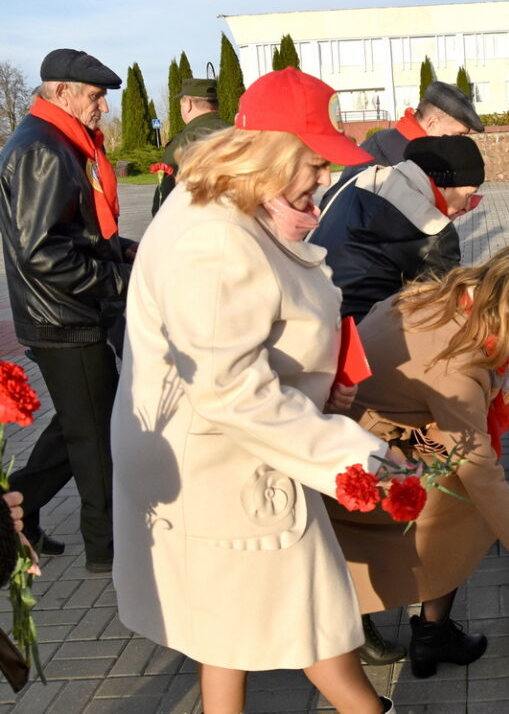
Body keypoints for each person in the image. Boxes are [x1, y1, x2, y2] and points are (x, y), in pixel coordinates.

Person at [111, 67, 395, 713]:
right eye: (315, 161)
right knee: (311, 617)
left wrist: (314, 386)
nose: (324, 177)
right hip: (228, 469)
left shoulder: (216, 208)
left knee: (231, 629)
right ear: (270, 154)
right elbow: (230, 387)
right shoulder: (216, 241)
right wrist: (356, 458)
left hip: (224, 461)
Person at [327, 244, 509, 679]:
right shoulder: (458, 367)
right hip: (367, 460)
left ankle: (392, 622)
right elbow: (480, 472)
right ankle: (431, 633)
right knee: (466, 502)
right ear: (508, 304)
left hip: (360, 434)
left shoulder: (435, 297)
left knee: (464, 482)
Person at [0, 48, 135, 572]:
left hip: (70, 312)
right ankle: (108, 553)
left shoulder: (59, 140)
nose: (102, 106)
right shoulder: (42, 147)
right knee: (95, 437)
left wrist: (123, 249)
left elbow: (76, 229)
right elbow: (44, 253)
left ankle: (19, 512)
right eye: (96, 96)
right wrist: (124, 280)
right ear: (61, 92)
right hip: (64, 318)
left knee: (78, 423)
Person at [310, 134, 485, 323]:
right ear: (445, 186)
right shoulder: (435, 231)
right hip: (356, 334)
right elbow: (449, 303)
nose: (468, 207)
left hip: (309, 305)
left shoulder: (358, 178)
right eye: (469, 195)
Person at [325, 81, 484, 200]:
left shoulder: (384, 139)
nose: (459, 143)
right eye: (457, 135)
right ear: (432, 122)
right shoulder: (406, 163)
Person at [151, 78, 229, 215]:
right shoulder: (236, 134)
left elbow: (165, 197)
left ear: (188, 103)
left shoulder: (184, 142)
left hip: (196, 225)